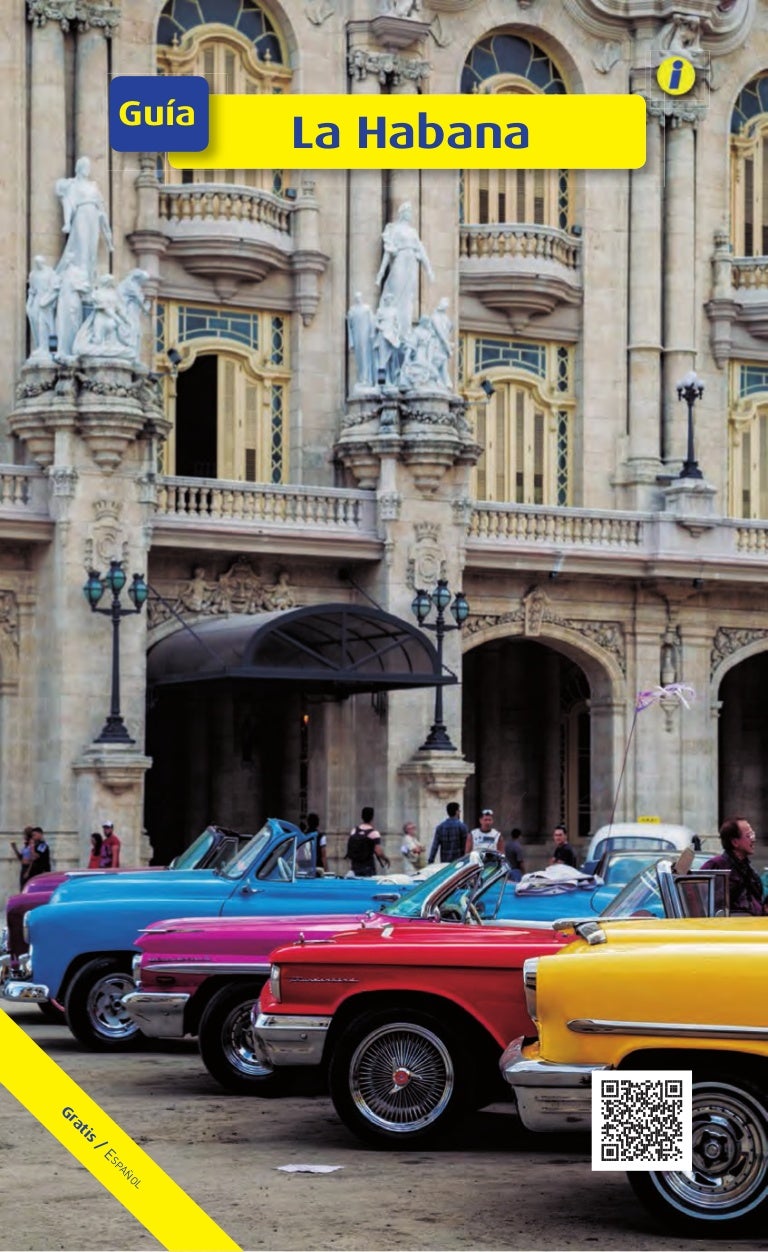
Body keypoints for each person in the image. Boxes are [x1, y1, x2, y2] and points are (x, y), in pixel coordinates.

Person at [375, 201, 434, 337]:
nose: (410, 214)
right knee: (396, 292)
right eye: (407, 211)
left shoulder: (413, 232)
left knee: (408, 297)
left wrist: (429, 269)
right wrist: (381, 273)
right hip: (400, 260)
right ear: (402, 213)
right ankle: (393, 328)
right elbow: (388, 252)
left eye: (411, 211)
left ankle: (405, 331)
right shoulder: (394, 229)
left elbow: (421, 249)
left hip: (412, 262)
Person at [56, 155, 113, 283]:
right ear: (79, 168)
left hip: (94, 216)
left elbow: (101, 207)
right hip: (81, 214)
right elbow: (68, 203)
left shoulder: (93, 185)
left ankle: (90, 279)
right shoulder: (73, 184)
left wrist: (108, 235)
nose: (88, 169)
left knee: (92, 248)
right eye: (85, 166)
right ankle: (80, 278)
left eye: (89, 166)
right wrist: (67, 223)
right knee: (81, 245)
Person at [702, 817, 765, 916]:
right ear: (735, 842)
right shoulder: (716, 866)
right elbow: (701, 900)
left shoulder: (749, 871)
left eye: (753, 834)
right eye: (749, 835)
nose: (754, 840)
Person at [345, 806, 390, 876]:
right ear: (372, 817)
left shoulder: (354, 831)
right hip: (368, 866)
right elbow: (378, 851)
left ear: (362, 817)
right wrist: (386, 859)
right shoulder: (374, 833)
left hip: (355, 865)